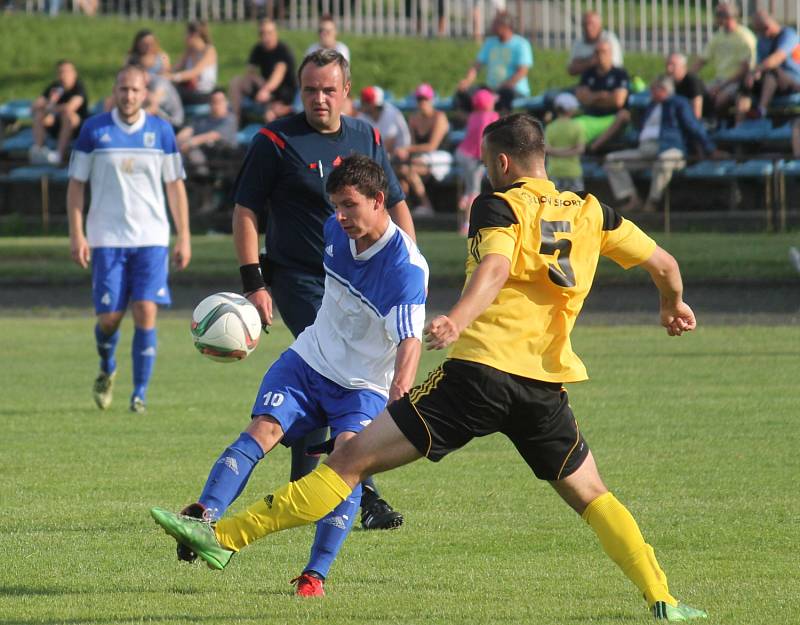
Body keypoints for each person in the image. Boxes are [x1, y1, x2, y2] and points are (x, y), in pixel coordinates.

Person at [151, 112, 709, 623]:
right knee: (593, 495)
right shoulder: (593, 212)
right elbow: (665, 263)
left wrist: (459, 319)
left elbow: (494, 266)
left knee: (347, 460)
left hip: (479, 376)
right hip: (544, 386)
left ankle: (224, 538)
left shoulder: (497, 204)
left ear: (502, 163)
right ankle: (662, 597)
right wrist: (672, 303)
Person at [166, 154, 428, 596]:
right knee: (263, 429)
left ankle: (314, 574)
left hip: (362, 388)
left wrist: (399, 392)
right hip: (308, 361)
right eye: (336, 206)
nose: (340, 216)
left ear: (379, 200)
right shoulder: (333, 230)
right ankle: (203, 518)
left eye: (349, 205)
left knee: (346, 464)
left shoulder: (405, 268)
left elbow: (410, 341)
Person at [229, 49, 415, 530]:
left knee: (332, 389)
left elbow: (392, 202)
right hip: (299, 279)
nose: (319, 98)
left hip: (363, 283)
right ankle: (362, 492)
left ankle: (308, 491)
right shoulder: (274, 139)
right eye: (310, 89)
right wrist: (255, 282)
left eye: (328, 89)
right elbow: (246, 209)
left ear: (346, 91)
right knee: (334, 370)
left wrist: (412, 262)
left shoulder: (366, 135)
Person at [66, 65, 191, 414]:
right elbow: (76, 184)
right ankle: (107, 366)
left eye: (135, 90)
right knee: (109, 318)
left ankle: (139, 394)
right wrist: (77, 233)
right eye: (123, 89)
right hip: (106, 238)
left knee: (146, 310)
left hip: (151, 237)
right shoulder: (94, 130)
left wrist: (184, 236)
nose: (129, 96)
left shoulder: (161, 132)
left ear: (145, 93)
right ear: (115, 90)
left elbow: (175, 186)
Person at [603, 76, 717, 213]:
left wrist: (710, 149)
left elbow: (694, 127)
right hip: (645, 151)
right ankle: (632, 198)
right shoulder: (651, 106)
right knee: (612, 161)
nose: (651, 92)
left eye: (654, 89)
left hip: (671, 148)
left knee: (663, 161)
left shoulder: (678, 103)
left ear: (664, 89)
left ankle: (652, 202)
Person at [457, 11, 533, 112]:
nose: (492, 26)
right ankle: (472, 122)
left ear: (505, 26)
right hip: (492, 89)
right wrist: (468, 81)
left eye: (495, 24)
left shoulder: (521, 44)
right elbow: (477, 66)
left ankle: (501, 122)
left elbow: (522, 71)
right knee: (465, 93)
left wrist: (504, 85)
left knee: (504, 95)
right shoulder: (490, 42)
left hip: (513, 90)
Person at [690, 2, 756, 119]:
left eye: (718, 15)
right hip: (720, 80)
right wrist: (686, 77)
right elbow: (701, 60)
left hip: (736, 82)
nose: (716, 18)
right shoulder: (719, 36)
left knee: (720, 99)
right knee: (697, 96)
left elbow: (744, 69)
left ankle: (719, 125)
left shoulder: (744, 37)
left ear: (728, 17)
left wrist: (721, 86)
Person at [395, 83, 451, 216]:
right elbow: (413, 144)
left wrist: (406, 149)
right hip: (422, 157)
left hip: (440, 156)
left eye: (425, 99)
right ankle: (404, 209)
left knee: (409, 168)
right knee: (401, 169)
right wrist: (405, 153)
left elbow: (432, 146)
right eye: (419, 99)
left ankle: (426, 205)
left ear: (431, 100)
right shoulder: (414, 119)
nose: (422, 102)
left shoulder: (439, 117)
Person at [735, 9, 800, 122]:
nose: (763, 34)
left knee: (772, 70)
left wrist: (755, 71)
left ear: (769, 26)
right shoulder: (762, 40)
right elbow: (760, 63)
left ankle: (761, 110)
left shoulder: (789, 36)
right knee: (746, 83)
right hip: (770, 84)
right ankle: (739, 123)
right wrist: (752, 76)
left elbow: (776, 59)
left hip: (791, 82)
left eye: (763, 30)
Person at [229, 18, 298, 123]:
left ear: (275, 33)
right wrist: (257, 83)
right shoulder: (258, 49)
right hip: (264, 87)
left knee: (269, 114)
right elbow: (250, 71)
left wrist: (266, 90)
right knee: (236, 82)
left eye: (269, 33)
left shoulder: (283, 50)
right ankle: (235, 120)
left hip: (282, 93)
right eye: (262, 33)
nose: (266, 37)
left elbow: (278, 74)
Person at [454, 88, 498, 234]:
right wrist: (483, 156)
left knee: (469, 188)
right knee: (474, 190)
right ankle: (467, 224)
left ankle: (465, 201)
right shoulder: (489, 116)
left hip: (463, 153)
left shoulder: (473, 116)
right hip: (474, 157)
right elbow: (482, 137)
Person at [574, 39, 631, 152]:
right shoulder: (588, 73)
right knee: (573, 123)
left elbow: (618, 101)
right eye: (597, 52)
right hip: (591, 117)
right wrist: (603, 96)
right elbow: (582, 98)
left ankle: (593, 148)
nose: (600, 55)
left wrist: (592, 97)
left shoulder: (620, 74)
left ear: (611, 54)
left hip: (612, 117)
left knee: (624, 115)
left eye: (603, 52)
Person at [30, 59, 89, 166]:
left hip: (76, 128)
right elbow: (35, 106)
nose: (63, 75)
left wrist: (50, 107)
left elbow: (70, 107)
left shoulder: (78, 88)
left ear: (74, 73)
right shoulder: (55, 88)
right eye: (60, 72)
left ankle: (59, 155)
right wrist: (50, 101)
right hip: (56, 125)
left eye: (66, 72)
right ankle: (39, 150)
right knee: (40, 114)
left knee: (67, 116)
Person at [177, 88, 238, 175]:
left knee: (192, 152)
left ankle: (202, 179)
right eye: (214, 102)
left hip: (222, 158)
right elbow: (188, 130)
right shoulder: (202, 118)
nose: (217, 105)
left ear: (226, 102)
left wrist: (190, 143)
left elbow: (213, 135)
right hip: (201, 154)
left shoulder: (230, 120)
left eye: (220, 101)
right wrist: (177, 141)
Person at [545, 92, 586, 194]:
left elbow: (547, 149)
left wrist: (557, 152)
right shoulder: (577, 126)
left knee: (556, 205)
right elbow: (580, 149)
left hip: (554, 171)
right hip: (573, 171)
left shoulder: (550, 127)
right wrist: (569, 149)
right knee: (578, 205)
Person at [169, 21, 218, 106]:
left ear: (194, 35)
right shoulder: (189, 51)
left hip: (203, 93)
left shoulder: (209, 51)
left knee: (170, 93)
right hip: (190, 90)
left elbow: (194, 72)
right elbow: (174, 68)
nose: (184, 37)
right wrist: (162, 75)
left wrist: (173, 77)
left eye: (186, 34)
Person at [357, 85, 411, 157]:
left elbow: (389, 143)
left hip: (399, 154)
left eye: (367, 101)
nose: (363, 104)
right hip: (379, 154)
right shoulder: (362, 116)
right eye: (363, 101)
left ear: (375, 104)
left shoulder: (391, 113)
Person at [567, 10, 624, 76]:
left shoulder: (609, 39)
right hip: (587, 82)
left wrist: (582, 63)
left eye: (592, 24)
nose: (589, 28)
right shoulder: (578, 42)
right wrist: (592, 61)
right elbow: (571, 70)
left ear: (600, 25)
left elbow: (614, 66)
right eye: (586, 24)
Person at [666, 52, 704, 120]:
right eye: (667, 65)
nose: (669, 69)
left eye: (673, 65)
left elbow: (697, 113)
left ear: (683, 66)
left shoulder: (692, 80)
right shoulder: (671, 82)